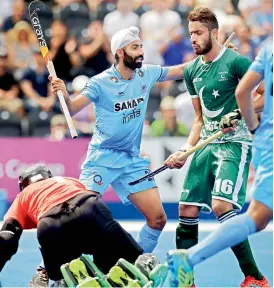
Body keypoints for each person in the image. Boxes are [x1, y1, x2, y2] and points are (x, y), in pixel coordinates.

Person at [39, 25, 235, 285]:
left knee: (157, 219)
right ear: (120, 53)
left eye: (141, 46)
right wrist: (63, 94)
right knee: (74, 217)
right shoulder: (100, 83)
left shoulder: (147, 74)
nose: (141, 52)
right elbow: (72, 109)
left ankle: (131, 269)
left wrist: (216, 56)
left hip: (131, 161)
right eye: (135, 48)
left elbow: (183, 69)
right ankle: (47, 272)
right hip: (102, 159)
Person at [164, 7, 269, 287]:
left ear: (213, 33)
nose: (193, 39)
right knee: (186, 210)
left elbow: (266, 96)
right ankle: (186, 281)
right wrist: (186, 149)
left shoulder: (236, 62)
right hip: (206, 145)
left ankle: (254, 277)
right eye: (190, 34)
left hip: (234, 143)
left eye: (198, 33)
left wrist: (237, 113)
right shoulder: (192, 70)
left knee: (222, 205)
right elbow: (199, 119)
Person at [0, 164, 167, 287]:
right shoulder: (68, 180)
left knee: (62, 278)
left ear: (23, 186)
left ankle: (77, 276)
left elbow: (7, 238)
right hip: (91, 208)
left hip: (50, 225)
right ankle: (125, 271)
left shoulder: (23, 197)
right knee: (125, 260)